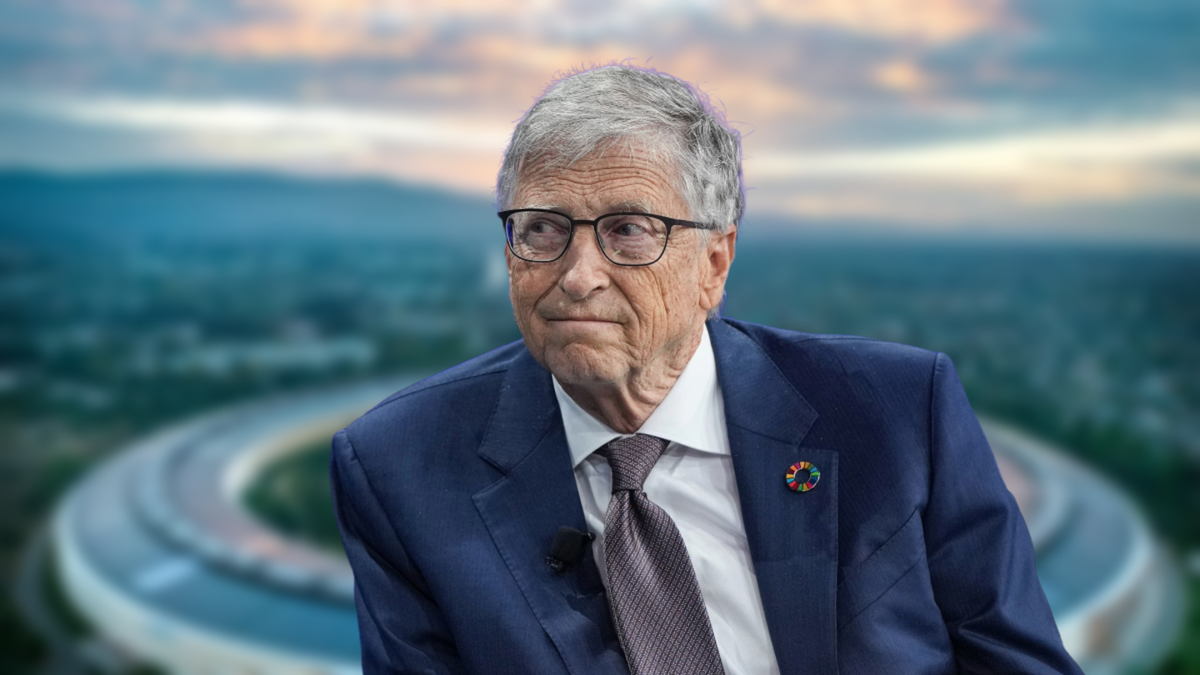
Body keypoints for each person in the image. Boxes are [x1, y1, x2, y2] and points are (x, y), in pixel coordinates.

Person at [330, 64, 1083, 675]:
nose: (578, 275)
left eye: (628, 230)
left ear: (714, 263)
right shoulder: (400, 467)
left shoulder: (896, 410)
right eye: (543, 230)